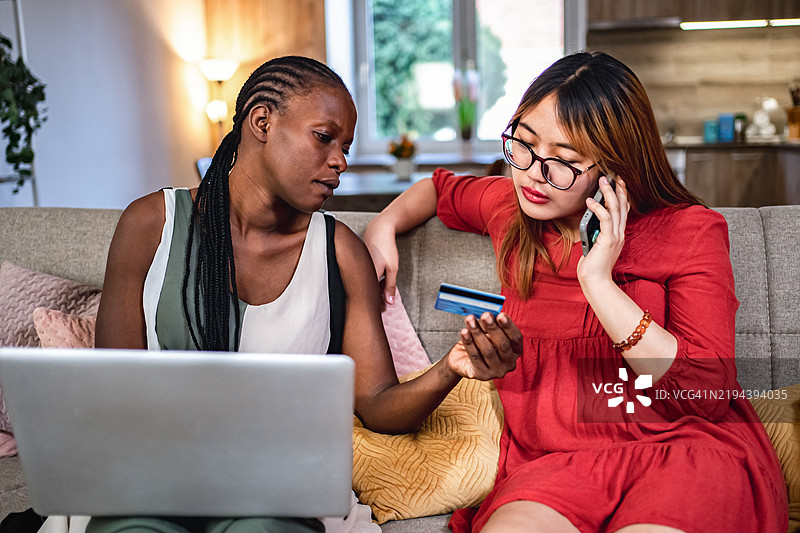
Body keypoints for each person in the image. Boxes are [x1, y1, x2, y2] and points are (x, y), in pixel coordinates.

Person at [91, 56, 523, 533]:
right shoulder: (151, 224)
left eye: (346, 146)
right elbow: (111, 393)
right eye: (324, 137)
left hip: (279, 491)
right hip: (154, 481)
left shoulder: (339, 252)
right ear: (262, 121)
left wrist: (453, 365)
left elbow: (379, 406)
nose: (340, 161)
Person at [363, 52, 788, 533]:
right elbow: (439, 189)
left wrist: (598, 281)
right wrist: (383, 226)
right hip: (554, 464)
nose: (531, 174)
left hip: (682, 448)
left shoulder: (690, 231)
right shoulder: (512, 209)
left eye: (563, 162)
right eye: (522, 145)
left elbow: (704, 394)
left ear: (613, 170)